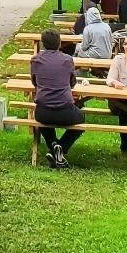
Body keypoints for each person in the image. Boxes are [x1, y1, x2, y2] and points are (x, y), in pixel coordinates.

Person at [30, 29, 86, 168]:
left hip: (43, 111)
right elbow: (72, 83)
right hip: (65, 110)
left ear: (43, 44)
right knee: (81, 120)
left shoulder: (35, 60)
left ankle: (53, 144)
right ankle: (61, 146)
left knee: (41, 120)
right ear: (59, 43)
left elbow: (35, 82)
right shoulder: (67, 60)